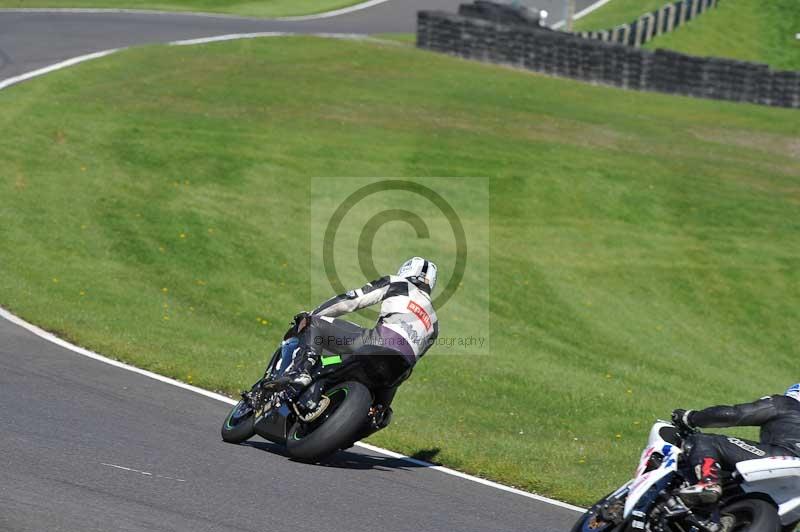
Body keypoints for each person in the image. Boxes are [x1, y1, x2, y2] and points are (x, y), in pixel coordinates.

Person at [278, 257, 439, 420]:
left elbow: (351, 301)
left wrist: (311, 315)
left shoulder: (398, 283)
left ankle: (302, 371)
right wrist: (383, 403)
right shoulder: (434, 323)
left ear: (406, 270)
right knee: (380, 412)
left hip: (375, 344)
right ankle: (377, 412)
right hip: (397, 373)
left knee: (314, 324)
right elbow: (409, 359)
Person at [671, 383, 800, 506]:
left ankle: (709, 482)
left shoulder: (785, 403)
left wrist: (690, 417)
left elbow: (734, 415)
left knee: (705, 440)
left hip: (783, 457)